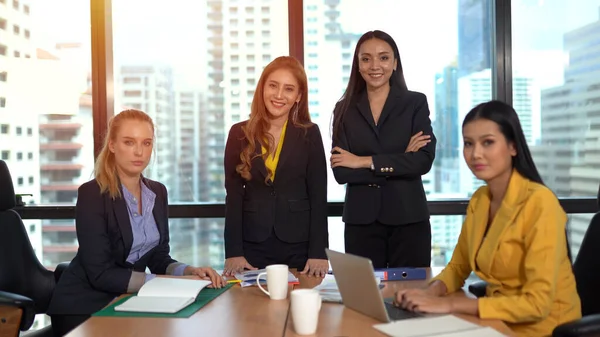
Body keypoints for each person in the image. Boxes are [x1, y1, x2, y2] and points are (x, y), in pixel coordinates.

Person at [395, 101, 581, 337]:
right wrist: (430, 294)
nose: (476, 154)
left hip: (541, 329)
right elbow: (457, 267)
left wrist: (450, 304)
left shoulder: (539, 203)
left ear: (513, 146)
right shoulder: (480, 200)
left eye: (488, 142)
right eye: (468, 144)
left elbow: (537, 304)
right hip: (494, 322)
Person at [47, 109, 225, 337]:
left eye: (147, 143)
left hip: (130, 300)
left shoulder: (157, 192)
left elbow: (159, 257)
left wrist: (189, 271)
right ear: (112, 145)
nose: (139, 152)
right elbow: (100, 273)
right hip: (84, 305)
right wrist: (166, 283)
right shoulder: (92, 194)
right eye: (129, 142)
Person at [330, 30, 436, 269]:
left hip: (409, 219)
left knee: (411, 298)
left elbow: (423, 162)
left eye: (384, 57)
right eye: (366, 58)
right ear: (357, 65)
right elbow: (341, 172)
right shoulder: (343, 109)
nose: (375, 65)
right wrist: (400, 161)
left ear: (395, 63)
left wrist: (362, 161)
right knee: (365, 300)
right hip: (361, 222)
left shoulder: (415, 103)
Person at [222, 56, 329, 278]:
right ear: (262, 88)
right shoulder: (238, 133)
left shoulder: (310, 134)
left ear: (298, 96)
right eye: (273, 86)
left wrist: (319, 252)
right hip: (252, 245)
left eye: (288, 89)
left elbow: (318, 196)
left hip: (299, 245)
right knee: (251, 310)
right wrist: (233, 251)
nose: (279, 95)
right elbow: (233, 197)